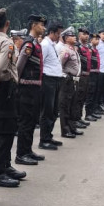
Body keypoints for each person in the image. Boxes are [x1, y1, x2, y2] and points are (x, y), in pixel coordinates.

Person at [0, 9, 25, 188]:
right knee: (5, 131)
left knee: (1, 129)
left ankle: (6, 165)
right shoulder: (7, 43)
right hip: (3, 88)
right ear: (7, 24)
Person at [15, 14, 47, 165]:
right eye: (41, 25)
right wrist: (17, 86)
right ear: (33, 25)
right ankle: (21, 154)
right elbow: (19, 67)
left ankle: (28, 150)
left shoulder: (35, 44)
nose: (44, 28)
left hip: (35, 88)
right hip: (26, 89)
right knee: (25, 122)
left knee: (32, 121)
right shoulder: (28, 44)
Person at [39, 21, 64, 150]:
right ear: (52, 32)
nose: (59, 36)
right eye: (58, 34)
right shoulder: (45, 45)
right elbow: (41, 63)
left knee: (54, 110)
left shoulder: (52, 44)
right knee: (47, 110)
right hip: (48, 80)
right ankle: (44, 139)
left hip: (55, 79)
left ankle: (48, 136)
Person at [58, 27, 82, 138]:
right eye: (72, 36)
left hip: (74, 80)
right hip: (67, 80)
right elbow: (59, 65)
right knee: (65, 106)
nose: (75, 37)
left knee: (73, 104)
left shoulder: (73, 49)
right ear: (66, 38)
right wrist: (64, 76)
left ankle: (72, 127)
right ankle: (65, 130)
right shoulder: (65, 51)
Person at [75, 29, 92, 128]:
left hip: (86, 75)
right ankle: (76, 119)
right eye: (84, 34)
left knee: (83, 98)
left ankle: (79, 117)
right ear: (79, 35)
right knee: (78, 98)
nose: (86, 36)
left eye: (87, 34)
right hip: (80, 76)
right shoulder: (77, 46)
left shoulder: (87, 47)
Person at [85, 33, 103, 120]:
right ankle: (88, 114)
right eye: (96, 39)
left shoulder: (95, 49)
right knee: (90, 93)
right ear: (91, 40)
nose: (98, 41)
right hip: (91, 74)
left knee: (95, 92)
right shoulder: (89, 49)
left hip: (96, 73)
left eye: (98, 39)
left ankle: (92, 111)